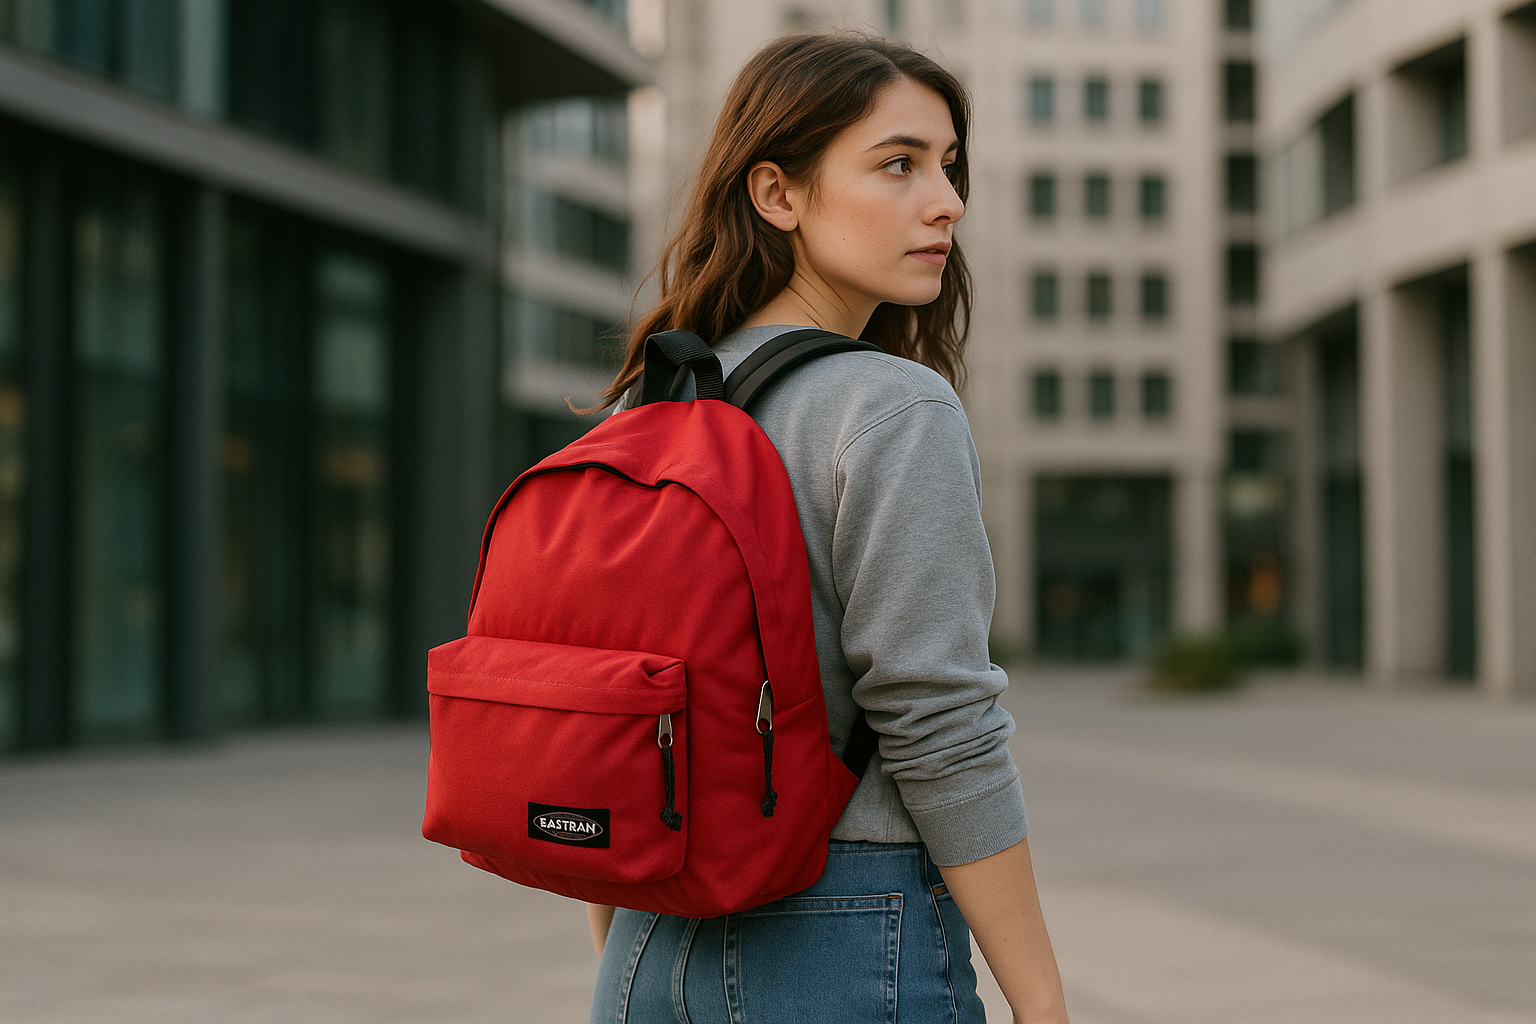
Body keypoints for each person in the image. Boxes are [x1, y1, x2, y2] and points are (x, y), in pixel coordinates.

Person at [587, 33, 1071, 1024]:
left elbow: (614, 712)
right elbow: (940, 723)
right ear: (778, 194)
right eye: (898, 164)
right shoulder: (894, 407)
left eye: (948, 165)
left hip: (646, 944)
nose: (946, 201)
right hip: (847, 939)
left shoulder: (648, 406)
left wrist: (632, 943)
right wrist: (1044, 1002)